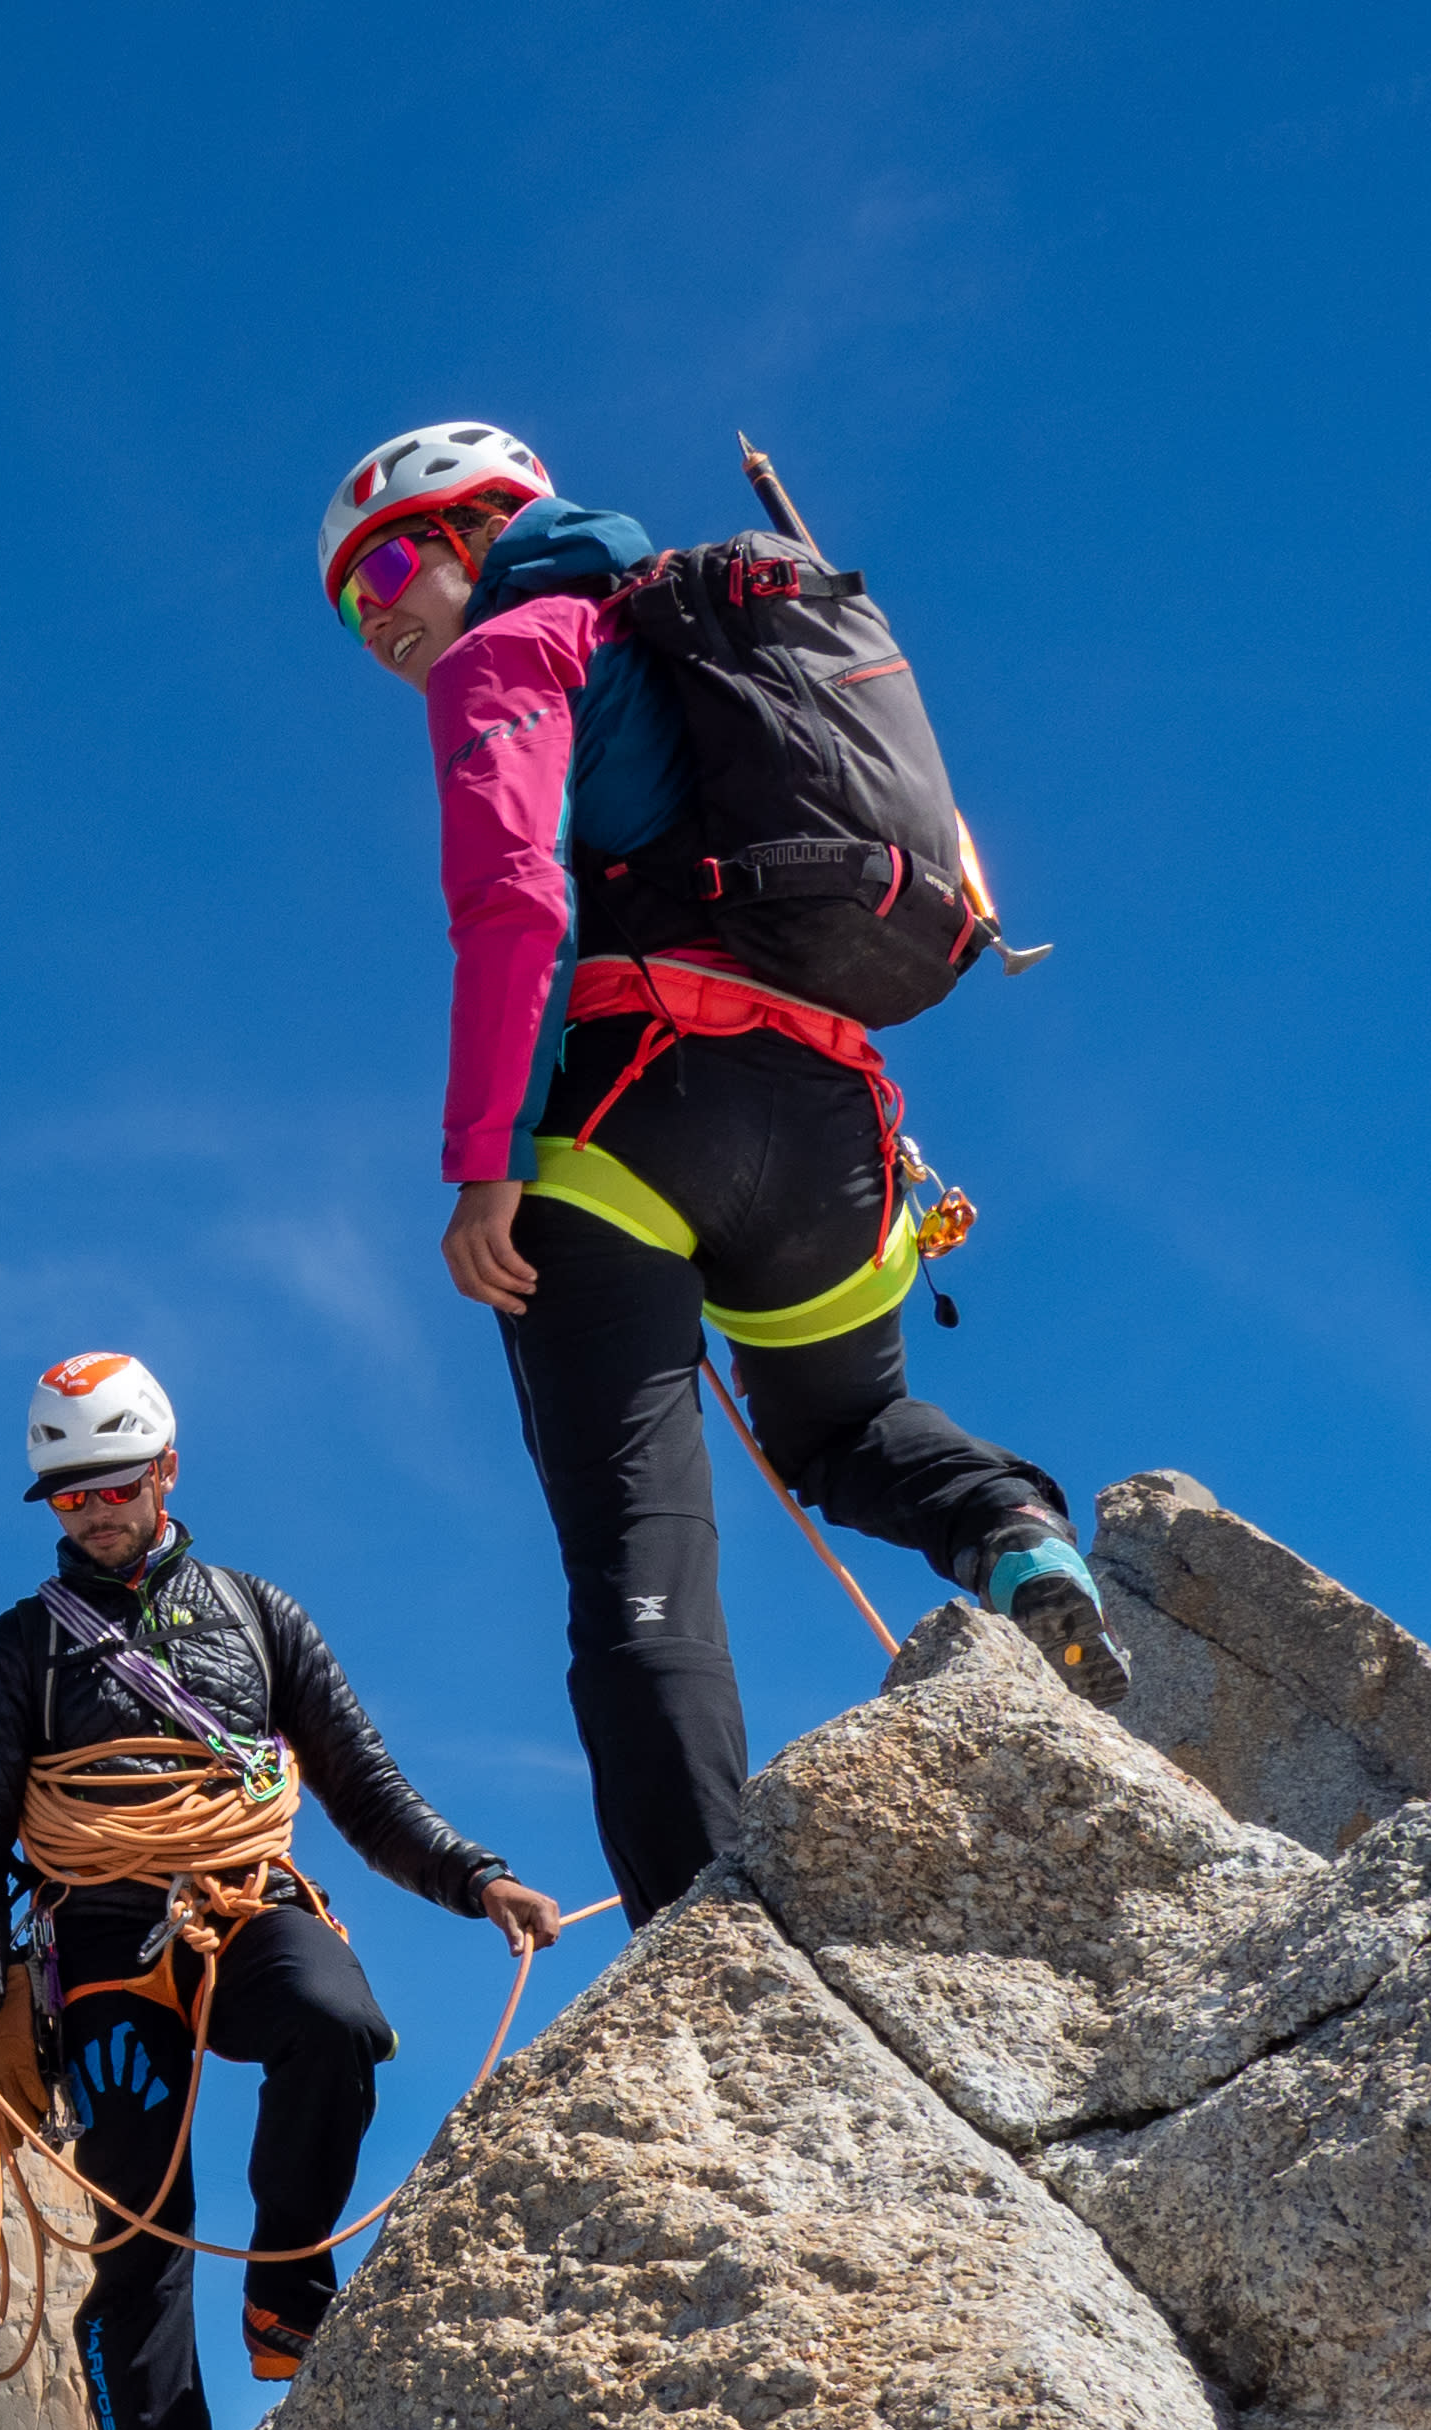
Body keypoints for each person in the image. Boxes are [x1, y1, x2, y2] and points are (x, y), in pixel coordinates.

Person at [325, 419, 1127, 1922]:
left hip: (632, 1118)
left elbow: (513, 900)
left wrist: (486, 1164)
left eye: (384, 562)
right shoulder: (729, 642)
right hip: (835, 1126)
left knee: (638, 1554)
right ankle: (1016, 1540)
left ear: (481, 529)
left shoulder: (517, 649)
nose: (372, 617)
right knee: (850, 1431)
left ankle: (704, 1940)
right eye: (345, 603)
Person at [0, 1349, 560, 2430]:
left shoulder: (261, 1617)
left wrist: (477, 1877)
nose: (99, 1513)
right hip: (102, 1940)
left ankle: (286, 2293)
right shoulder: (16, 1654)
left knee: (336, 2024)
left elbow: (366, 1790)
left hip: (241, 1899)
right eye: (74, 1496)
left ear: (166, 1470)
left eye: (118, 1486)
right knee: (141, 2235)